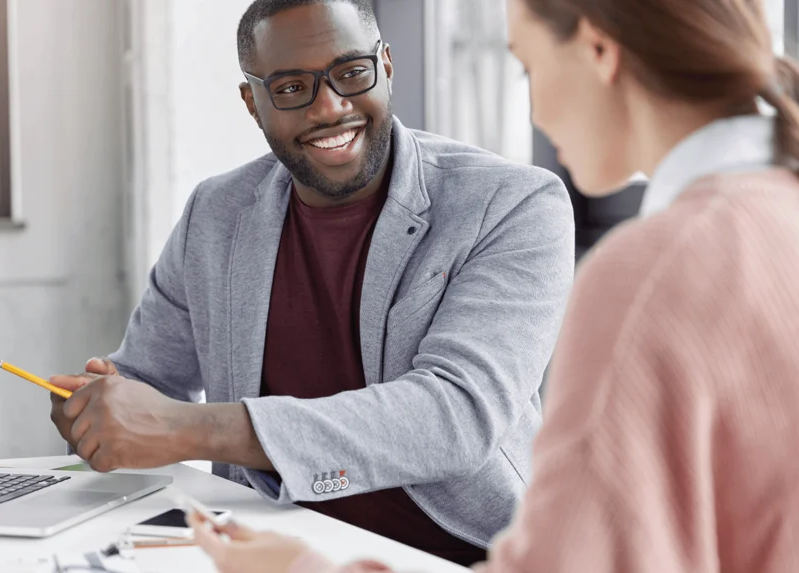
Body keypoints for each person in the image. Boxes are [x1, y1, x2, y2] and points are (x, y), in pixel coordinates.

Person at [186, 0, 799, 571]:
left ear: (597, 53)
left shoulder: (649, 273)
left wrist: (302, 568)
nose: (535, 113)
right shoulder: (774, 216)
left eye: (527, 66)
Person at [48, 0, 575, 565]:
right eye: (293, 87)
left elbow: (454, 415)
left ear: (387, 66)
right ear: (253, 103)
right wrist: (99, 407)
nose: (331, 107)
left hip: (460, 553)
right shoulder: (215, 212)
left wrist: (190, 428)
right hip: (264, 549)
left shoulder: (512, 204)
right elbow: (150, 380)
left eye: (352, 73)